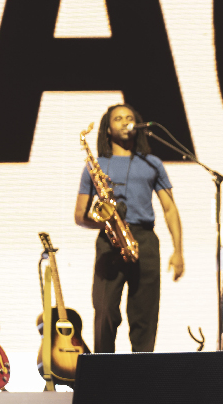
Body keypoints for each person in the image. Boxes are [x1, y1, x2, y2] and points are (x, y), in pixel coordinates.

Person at [74, 103, 184, 353]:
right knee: (104, 311)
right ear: (108, 129)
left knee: (144, 315)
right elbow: (80, 216)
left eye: (129, 117)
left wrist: (178, 251)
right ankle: (103, 373)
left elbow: (170, 209)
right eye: (118, 118)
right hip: (108, 241)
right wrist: (105, 222)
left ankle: (141, 375)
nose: (125, 121)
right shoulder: (95, 165)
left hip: (144, 239)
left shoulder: (152, 163)